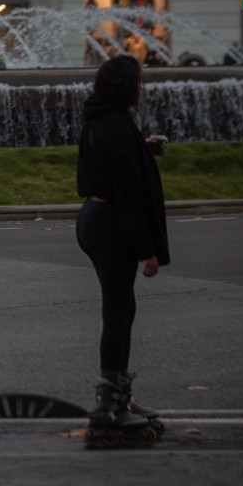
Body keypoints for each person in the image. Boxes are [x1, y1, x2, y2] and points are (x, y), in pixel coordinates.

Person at [75, 54, 170, 434]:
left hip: (93, 218)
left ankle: (120, 395)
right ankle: (108, 405)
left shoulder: (102, 118)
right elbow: (128, 196)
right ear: (127, 87)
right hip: (111, 224)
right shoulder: (114, 125)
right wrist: (147, 251)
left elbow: (110, 163)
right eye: (138, 83)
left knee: (123, 310)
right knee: (117, 313)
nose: (140, 89)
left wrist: (142, 148)